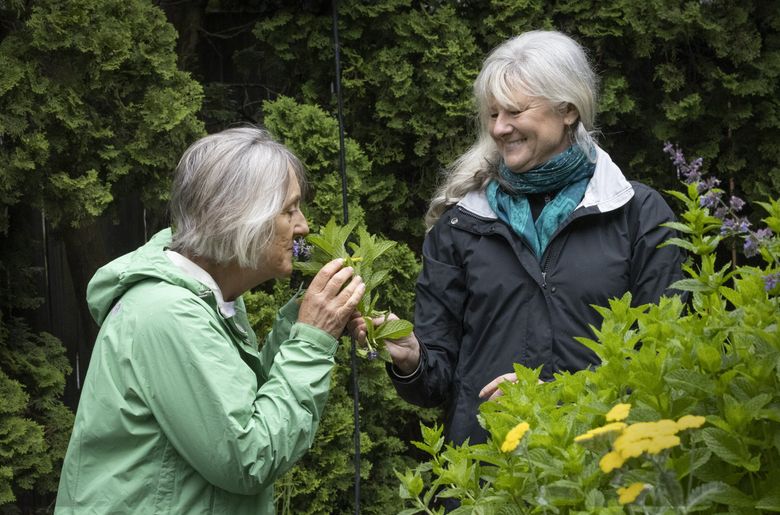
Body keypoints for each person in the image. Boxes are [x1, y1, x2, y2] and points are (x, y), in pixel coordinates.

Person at [351, 30, 684, 447]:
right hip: (487, 476)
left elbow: (665, 361)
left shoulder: (637, 216)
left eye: (514, 111)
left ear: (568, 110)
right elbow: (436, 385)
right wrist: (412, 358)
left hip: (602, 470)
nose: (500, 128)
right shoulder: (462, 224)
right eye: (492, 114)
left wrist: (557, 395)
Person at [55, 127, 365, 514]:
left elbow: (242, 409)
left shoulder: (205, 299)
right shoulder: (168, 314)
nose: (303, 225)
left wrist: (305, 321)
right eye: (289, 210)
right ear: (239, 219)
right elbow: (248, 456)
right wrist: (311, 340)